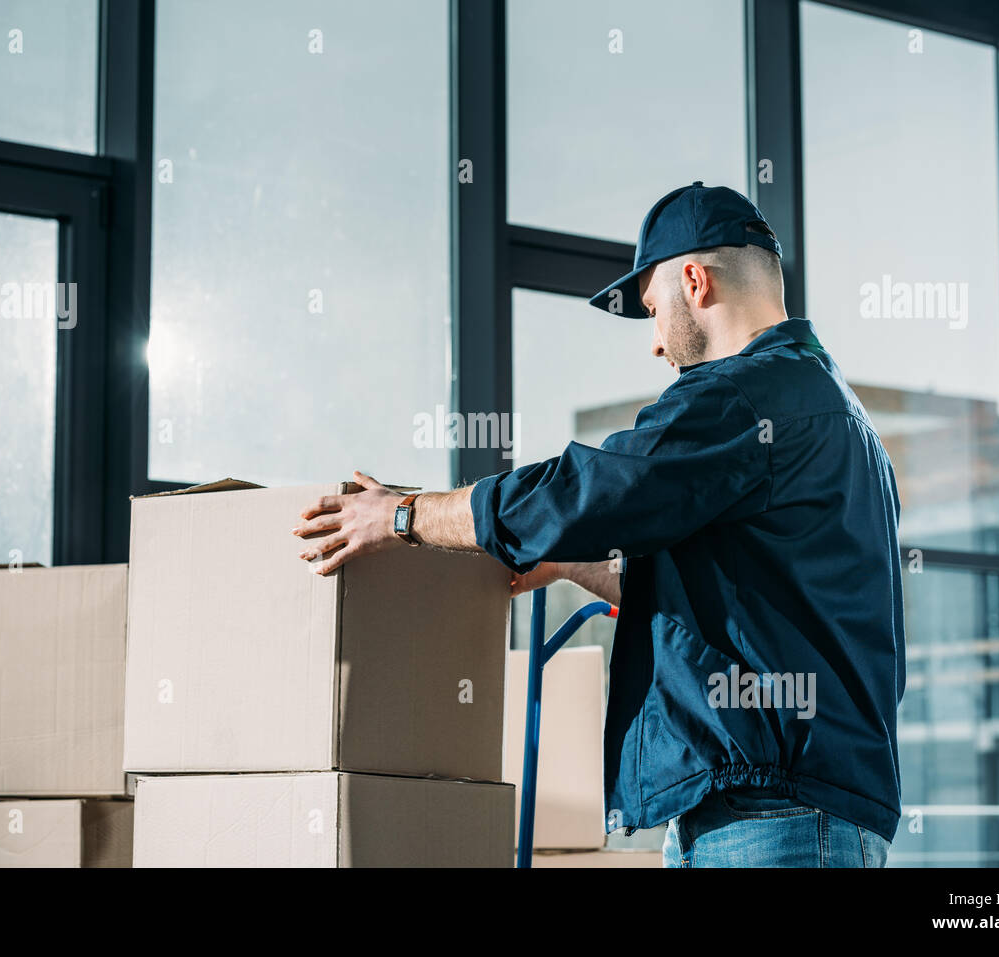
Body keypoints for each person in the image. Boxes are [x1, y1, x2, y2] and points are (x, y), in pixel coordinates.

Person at [292, 182, 904, 868]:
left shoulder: (744, 396)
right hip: (779, 808)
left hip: (771, 815)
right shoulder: (833, 410)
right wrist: (563, 563)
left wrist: (404, 515)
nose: (654, 345)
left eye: (651, 311)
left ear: (694, 281)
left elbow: (591, 489)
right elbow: (736, 584)